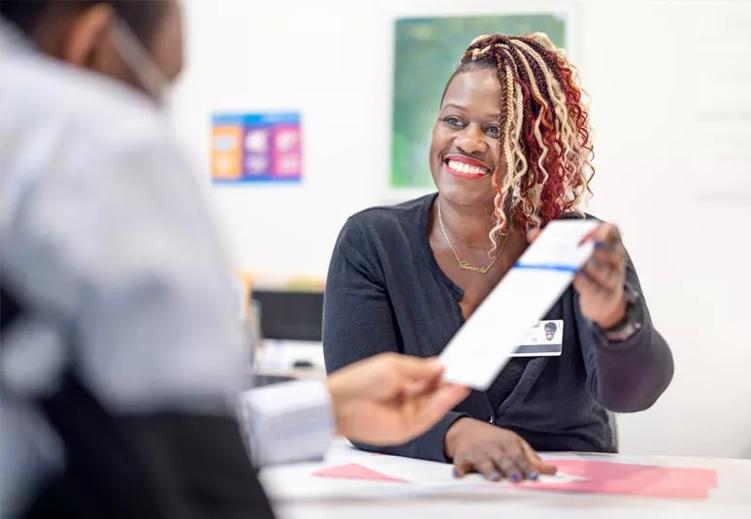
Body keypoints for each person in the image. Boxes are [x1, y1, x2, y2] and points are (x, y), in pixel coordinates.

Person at [0, 2, 468, 517]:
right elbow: (190, 468)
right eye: (160, 87)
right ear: (89, 44)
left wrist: (328, 408)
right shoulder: (93, 142)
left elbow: (96, 428)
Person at [323, 33, 674, 482]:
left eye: (494, 130)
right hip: (428, 489)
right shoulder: (374, 242)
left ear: (533, 145)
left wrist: (615, 321)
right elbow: (361, 405)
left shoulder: (578, 246)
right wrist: (457, 435)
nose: (467, 142)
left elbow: (634, 394)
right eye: (454, 121)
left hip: (562, 489)